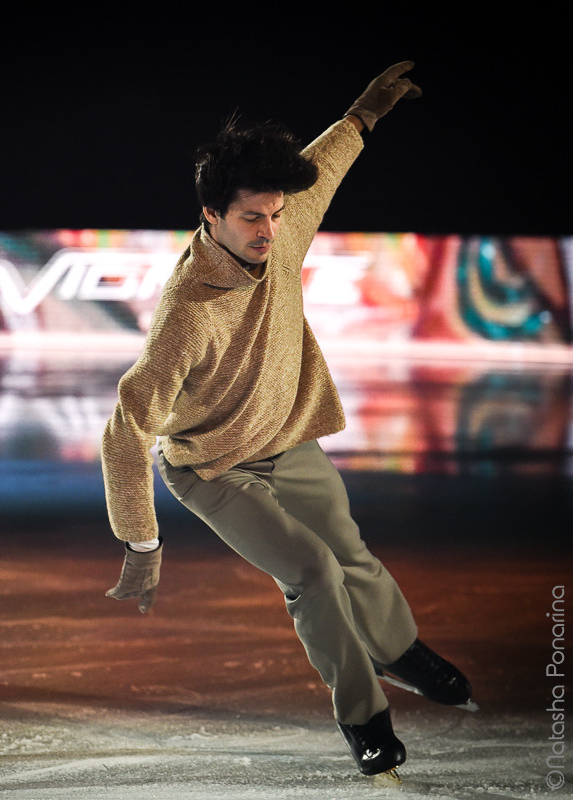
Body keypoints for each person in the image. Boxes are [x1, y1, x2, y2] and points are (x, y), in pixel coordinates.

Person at [101, 62, 474, 779]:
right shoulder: (187, 313)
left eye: (274, 215)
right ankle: (365, 718)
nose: (270, 229)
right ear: (210, 215)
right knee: (312, 572)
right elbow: (128, 426)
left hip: (285, 438)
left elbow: (322, 166)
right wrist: (141, 543)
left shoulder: (283, 222)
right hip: (211, 467)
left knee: (351, 552)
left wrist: (365, 113)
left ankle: (398, 651)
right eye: (252, 218)